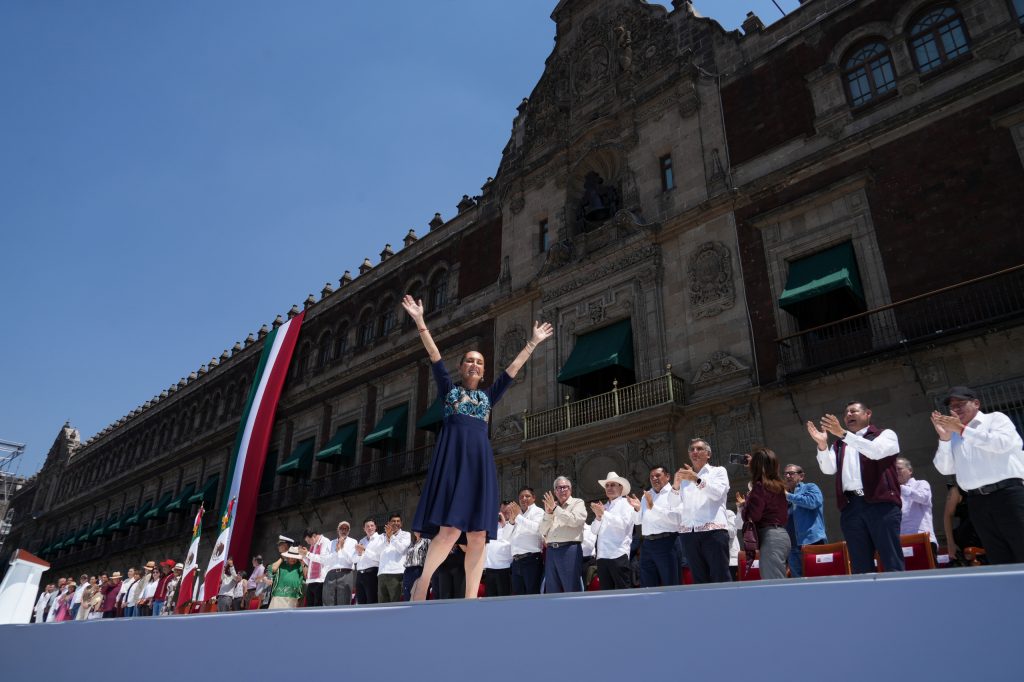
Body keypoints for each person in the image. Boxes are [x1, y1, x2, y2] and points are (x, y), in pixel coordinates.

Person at [403, 293, 553, 601]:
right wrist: (420, 321)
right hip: (453, 465)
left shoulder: (487, 398)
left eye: (480, 362)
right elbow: (434, 357)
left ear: (483, 372)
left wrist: (533, 341)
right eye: (470, 360)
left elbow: (512, 370)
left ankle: (472, 598)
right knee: (449, 532)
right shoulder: (450, 392)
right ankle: (424, 581)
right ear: (461, 368)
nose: (475, 364)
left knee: (478, 536)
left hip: (480, 467)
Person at [807, 401, 903, 573]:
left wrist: (844, 434)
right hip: (852, 507)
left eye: (854, 411)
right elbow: (828, 469)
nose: (849, 415)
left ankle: (899, 597)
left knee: (891, 559)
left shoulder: (884, 435)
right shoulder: (839, 444)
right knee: (860, 564)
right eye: (846, 413)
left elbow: (875, 451)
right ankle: (867, 598)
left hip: (881, 505)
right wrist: (822, 445)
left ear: (868, 414)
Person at [932, 386, 1024, 564]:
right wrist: (944, 439)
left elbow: (1002, 444)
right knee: (998, 556)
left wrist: (962, 430)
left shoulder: (995, 419)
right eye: (952, 406)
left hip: (1008, 495)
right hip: (977, 502)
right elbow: (945, 468)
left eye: (960, 404)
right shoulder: (955, 434)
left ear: (976, 403)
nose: (956, 410)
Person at [668, 439, 732, 584]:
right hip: (689, 533)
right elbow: (672, 504)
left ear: (708, 454)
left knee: (719, 576)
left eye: (699, 449)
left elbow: (717, 494)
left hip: (713, 531)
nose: (694, 452)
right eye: (692, 449)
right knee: (699, 579)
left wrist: (696, 479)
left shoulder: (718, 471)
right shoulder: (684, 479)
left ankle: (725, 606)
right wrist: (676, 485)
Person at [737, 447, 790, 580]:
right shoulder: (778, 485)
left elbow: (753, 516)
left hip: (770, 537)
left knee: (774, 583)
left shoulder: (760, 487)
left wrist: (744, 506)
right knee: (777, 579)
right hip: (780, 535)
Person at [633, 465, 681, 588]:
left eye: (658, 475)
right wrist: (637, 508)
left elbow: (676, 520)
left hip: (667, 542)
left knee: (670, 584)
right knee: (647, 585)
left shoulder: (675, 492)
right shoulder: (646, 495)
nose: (654, 479)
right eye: (651, 477)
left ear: (668, 476)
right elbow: (638, 521)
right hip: (648, 544)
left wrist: (653, 507)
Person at [539, 476, 587, 593]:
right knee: (552, 590)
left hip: (569, 549)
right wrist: (548, 514)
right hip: (551, 551)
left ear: (570, 489)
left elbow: (575, 520)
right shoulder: (552, 507)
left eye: (565, 487)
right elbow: (542, 530)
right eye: (559, 488)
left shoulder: (577, 502)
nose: (562, 490)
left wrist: (555, 509)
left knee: (571, 588)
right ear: (555, 491)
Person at [590, 472, 634, 590]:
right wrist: (598, 517)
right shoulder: (604, 506)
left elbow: (623, 525)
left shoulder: (626, 504)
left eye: (612, 485)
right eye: (607, 485)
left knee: (623, 592)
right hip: (602, 556)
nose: (609, 488)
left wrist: (604, 513)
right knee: (606, 594)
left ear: (621, 487)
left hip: (618, 555)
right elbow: (594, 531)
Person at [783, 464, 826, 577]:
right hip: (793, 547)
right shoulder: (785, 495)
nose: (787, 476)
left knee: (818, 578)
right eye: (785, 473)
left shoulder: (810, 487)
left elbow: (813, 502)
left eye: (791, 473)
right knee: (799, 584)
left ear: (801, 476)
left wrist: (789, 496)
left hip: (812, 541)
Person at [505, 487, 546, 595]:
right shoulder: (519, 515)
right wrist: (512, 522)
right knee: (518, 596)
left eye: (527, 496)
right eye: (521, 497)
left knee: (532, 594)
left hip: (531, 560)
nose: (524, 499)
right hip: (516, 562)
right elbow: (506, 537)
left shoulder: (538, 511)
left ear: (533, 498)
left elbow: (537, 528)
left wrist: (518, 517)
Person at [306, 522, 357, 607]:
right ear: (338, 530)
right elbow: (325, 560)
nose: (343, 531)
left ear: (349, 531)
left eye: (346, 529)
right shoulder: (331, 543)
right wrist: (336, 551)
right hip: (331, 574)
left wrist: (342, 548)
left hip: (346, 573)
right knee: (328, 601)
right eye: (341, 528)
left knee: (343, 603)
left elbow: (352, 560)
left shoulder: (353, 542)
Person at [896, 457, 937, 553]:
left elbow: (923, 497)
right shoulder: (893, 492)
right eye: (893, 470)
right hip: (901, 541)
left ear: (910, 470)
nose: (896, 472)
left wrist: (901, 488)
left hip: (922, 538)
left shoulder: (921, 484)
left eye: (899, 469)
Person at [377, 514, 411, 603]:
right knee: (382, 604)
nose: (396, 523)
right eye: (393, 521)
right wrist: (387, 537)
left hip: (397, 573)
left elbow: (401, 548)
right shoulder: (381, 536)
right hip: (382, 573)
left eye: (398, 521)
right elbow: (378, 551)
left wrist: (391, 536)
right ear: (388, 523)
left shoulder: (406, 535)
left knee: (396, 603)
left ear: (401, 524)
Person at [483, 511, 512, 597]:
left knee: (503, 599)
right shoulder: (486, 529)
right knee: (490, 599)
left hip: (503, 569)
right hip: (489, 570)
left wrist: (504, 525)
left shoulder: (508, 528)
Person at [354, 519, 382, 604]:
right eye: (367, 526)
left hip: (372, 573)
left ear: (375, 527)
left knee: (372, 601)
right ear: (364, 529)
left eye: (372, 526)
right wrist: (359, 553)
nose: (369, 528)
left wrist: (364, 550)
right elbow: (356, 559)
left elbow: (379, 557)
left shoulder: (380, 538)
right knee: (361, 602)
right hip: (360, 574)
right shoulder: (362, 541)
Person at [301, 528, 330, 607]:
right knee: (309, 606)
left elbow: (323, 559)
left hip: (320, 580)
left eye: (308, 540)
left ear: (314, 536)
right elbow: (310, 563)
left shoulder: (325, 541)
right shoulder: (312, 545)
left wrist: (307, 554)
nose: (308, 543)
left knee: (318, 606)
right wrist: (303, 555)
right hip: (311, 580)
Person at [403, 531, 430, 601]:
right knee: (407, 592)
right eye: (415, 530)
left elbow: (429, 556)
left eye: (419, 529)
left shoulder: (426, 541)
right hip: (408, 570)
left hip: (419, 570)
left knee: (419, 591)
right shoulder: (412, 543)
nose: (417, 531)